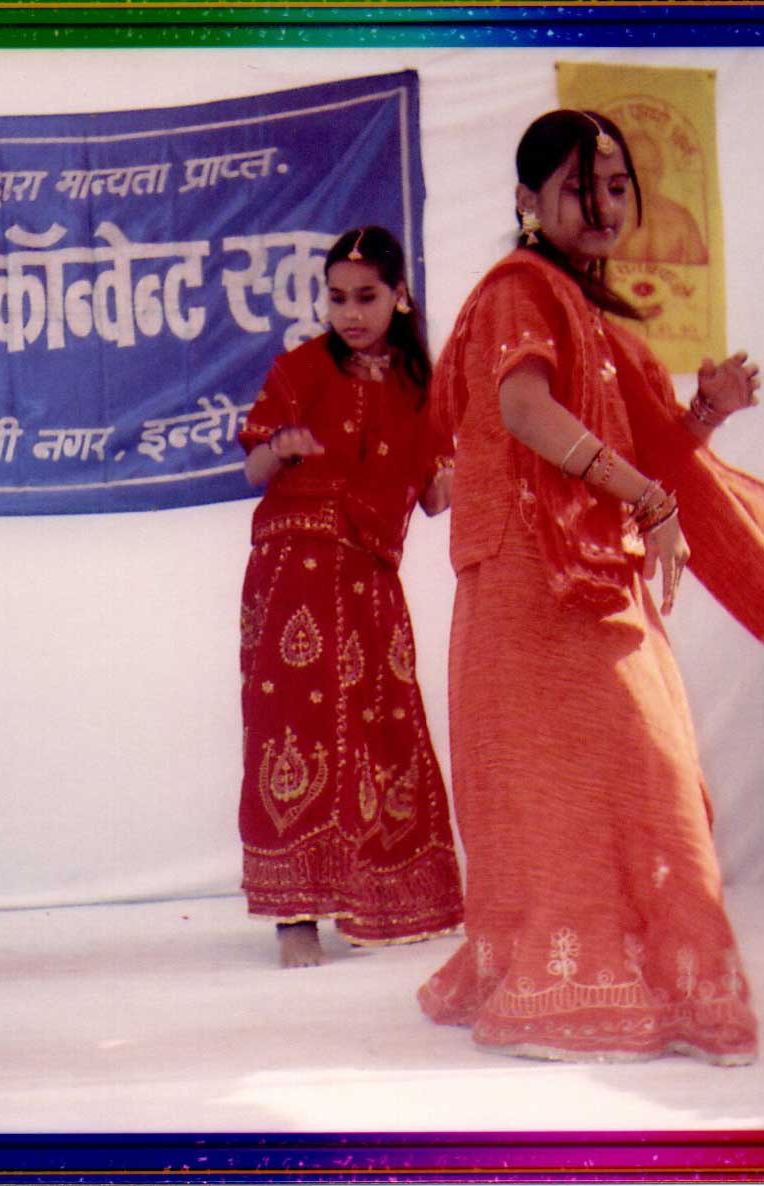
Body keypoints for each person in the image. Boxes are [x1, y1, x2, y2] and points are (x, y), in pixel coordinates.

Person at [417, 110, 764, 1064]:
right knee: (571, 783)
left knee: (644, 777)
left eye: (615, 188)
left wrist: (704, 414)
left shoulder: (588, 308)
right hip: (529, 582)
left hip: (591, 573)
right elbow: (524, 409)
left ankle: (647, 983)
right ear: (527, 200)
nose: (602, 207)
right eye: (577, 189)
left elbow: (642, 447)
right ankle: (564, 986)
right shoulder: (521, 292)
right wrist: (648, 501)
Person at [236, 225, 464, 969]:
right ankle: (294, 913)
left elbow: (434, 498)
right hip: (295, 571)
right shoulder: (300, 368)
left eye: (366, 297)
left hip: (369, 576)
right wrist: (281, 449)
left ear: (400, 297)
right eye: (337, 298)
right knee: (293, 732)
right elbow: (253, 471)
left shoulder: (421, 388)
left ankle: (393, 896)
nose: (350, 313)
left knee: (380, 728)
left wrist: (476, 459)